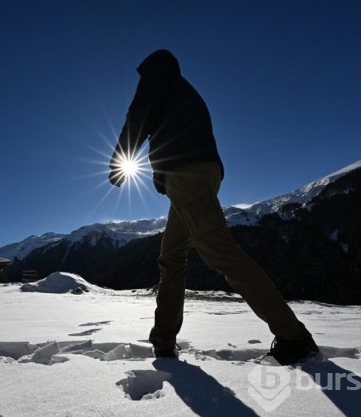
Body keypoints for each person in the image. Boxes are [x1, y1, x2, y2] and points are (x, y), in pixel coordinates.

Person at [108, 49, 319, 365]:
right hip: (199, 174)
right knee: (171, 255)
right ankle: (163, 342)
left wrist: (119, 160)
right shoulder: (186, 92)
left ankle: (294, 336)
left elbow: (138, 115)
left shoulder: (158, 80)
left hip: (187, 175)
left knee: (222, 254)